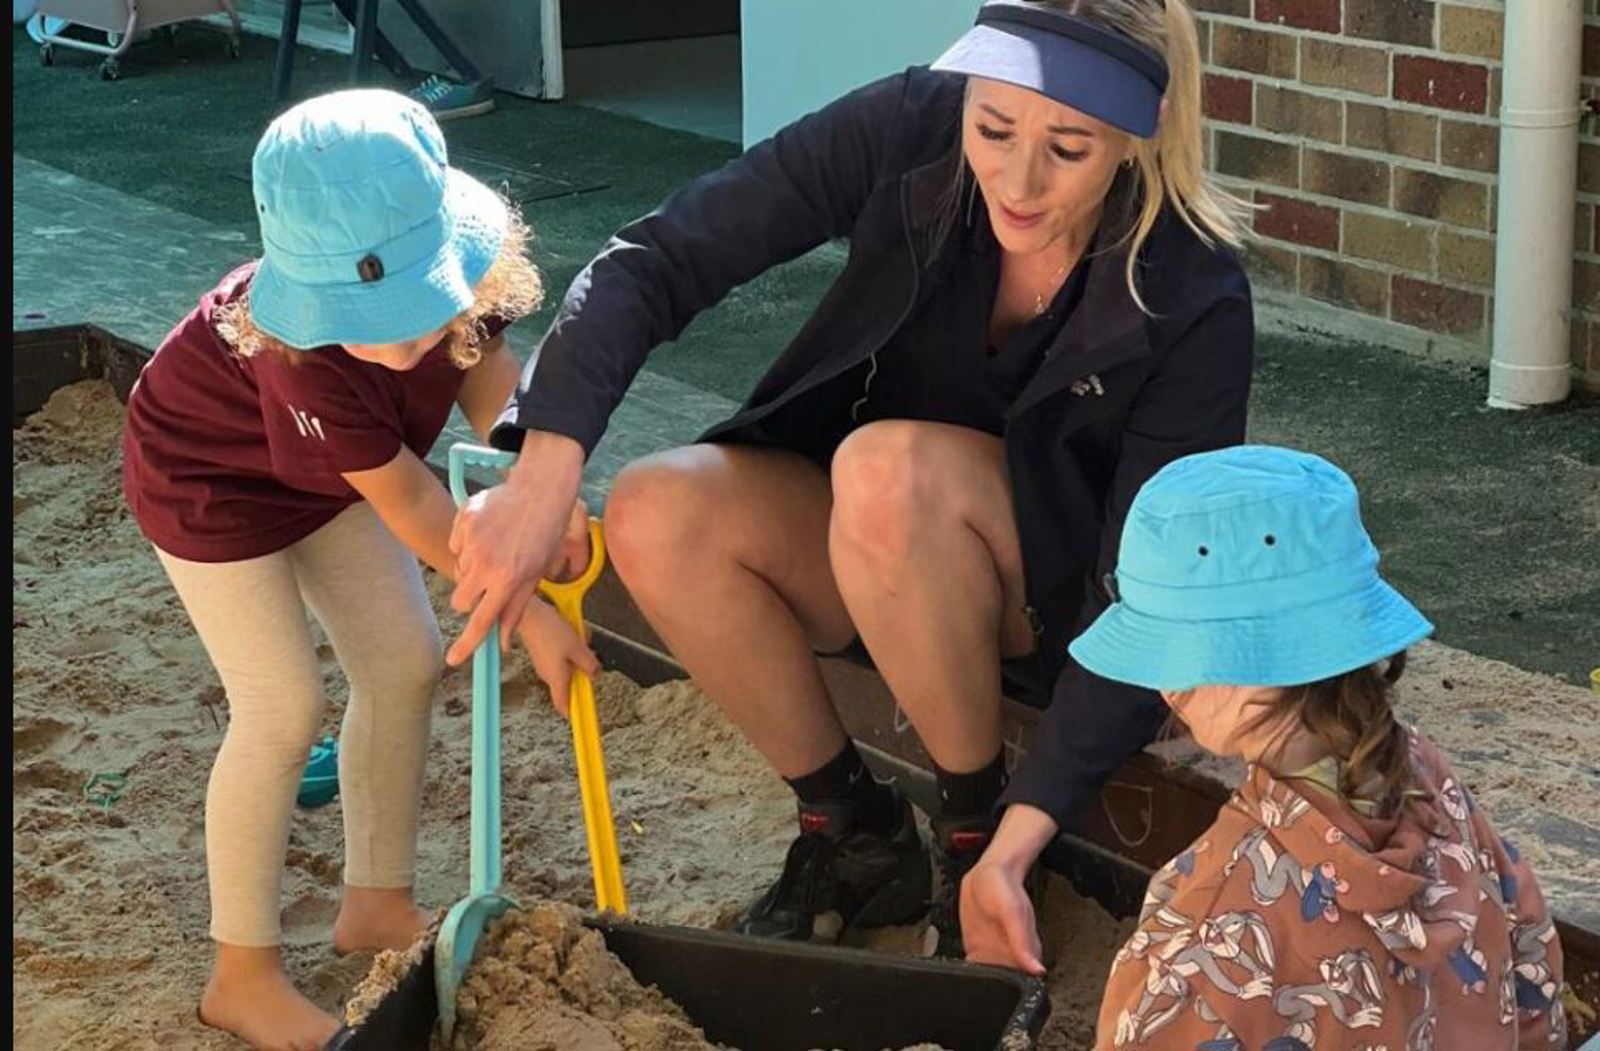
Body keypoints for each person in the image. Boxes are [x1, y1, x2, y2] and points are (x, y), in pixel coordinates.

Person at [447, 0, 1253, 955]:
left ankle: (973, 835)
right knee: (657, 506)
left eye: (1068, 148)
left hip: (1049, 606)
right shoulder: (911, 124)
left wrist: (1020, 837)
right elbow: (657, 258)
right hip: (872, 554)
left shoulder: (1195, 292)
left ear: (1136, 133)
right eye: (993, 127)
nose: (1018, 179)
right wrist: (544, 464)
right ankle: (856, 833)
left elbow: (1153, 601)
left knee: (888, 468)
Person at [120, 89, 593, 1050]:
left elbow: (497, 398)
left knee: (404, 661)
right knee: (282, 704)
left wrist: (547, 492)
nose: (403, 339)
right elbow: (418, 508)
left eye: (418, 304)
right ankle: (240, 975)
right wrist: (528, 606)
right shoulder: (302, 357)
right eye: (369, 317)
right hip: (208, 482)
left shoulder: (469, 286)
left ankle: (375, 904)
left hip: (334, 477)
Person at [978, 444, 1566, 1049]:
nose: (1164, 687)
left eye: (1170, 655)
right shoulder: (1432, 783)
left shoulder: (1209, 928)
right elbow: (1533, 976)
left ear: (1236, 666)